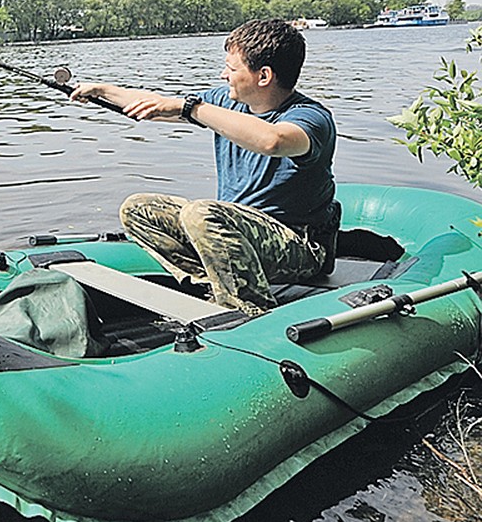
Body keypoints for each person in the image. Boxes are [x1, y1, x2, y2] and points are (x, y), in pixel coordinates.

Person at [70, 18, 337, 316]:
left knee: (202, 212)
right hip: (240, 233)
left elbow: (272, 141)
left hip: (299, 246)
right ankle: (209, 285)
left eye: (232, 69)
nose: (224, 75)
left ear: (263, 76)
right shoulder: (224, 102)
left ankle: (249, 310)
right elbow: (157, 105)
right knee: (137, 209)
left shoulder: (311, 118)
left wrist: (192, 109)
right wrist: (102, 90)